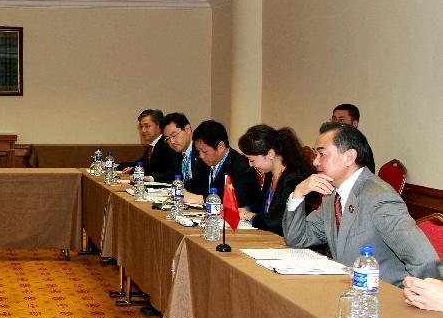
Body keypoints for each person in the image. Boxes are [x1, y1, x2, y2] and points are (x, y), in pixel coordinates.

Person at [283, 124, 440, 287]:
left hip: (381, 296)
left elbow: (424, 261)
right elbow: (298, 239)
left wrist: (420, 299)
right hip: (348, 289)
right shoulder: (332, 196)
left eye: (322, 154)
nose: (315, 162)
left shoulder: (379, 197)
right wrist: (298, 194)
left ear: (349, 157)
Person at [237, 125, 313, 235]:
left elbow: (275, 222)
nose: (251, 165)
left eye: (252, 160)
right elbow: (260, 207)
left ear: (270, 154)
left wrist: (248, 215)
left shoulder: (294, 178)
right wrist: (244, 209)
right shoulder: (270, 174)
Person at [185, 120, 261, 210]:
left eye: (204, 151)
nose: (200, 156)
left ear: (221, 146)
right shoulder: (206, 162)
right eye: (198, 151)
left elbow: (236, 200)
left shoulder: (241, 167)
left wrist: (202, 199)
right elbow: (193, 185)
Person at [118, 109, 178, 182]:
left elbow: (152, 168)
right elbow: (142, 162)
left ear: (159, 126)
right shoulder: (152, 146)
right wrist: (119, 165)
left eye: (147, 126)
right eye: (141, 126)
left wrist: (133, 170)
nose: (143, 130)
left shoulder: (166, 144)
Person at [160, 112, 207, 191]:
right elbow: (171, 176)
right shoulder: (176, 153)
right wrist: (150, 178)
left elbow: (201, 181)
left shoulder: (203, 151)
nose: (171, 141)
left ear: (188, 129)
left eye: (174, 135)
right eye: (167, 138)